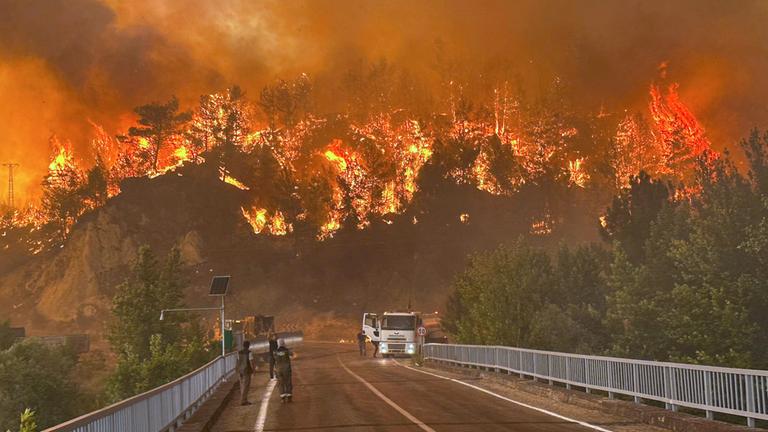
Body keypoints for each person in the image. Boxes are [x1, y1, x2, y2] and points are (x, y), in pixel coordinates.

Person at [274, 338, 293, 403]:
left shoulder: (275, 351)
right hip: (287, 369)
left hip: (279, 369)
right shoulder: (287, 351)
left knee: (281, 383)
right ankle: (289, 397)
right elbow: (292, 355)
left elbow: (274, 359)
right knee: (288, 382)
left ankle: (282, 398)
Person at [236, 340, 255, 405]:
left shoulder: (239, 352)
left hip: (240, 370)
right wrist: (253, 370)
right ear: (248, 346)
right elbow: (251, 362)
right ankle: (243, 400)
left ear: (243, 345)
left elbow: (238, 361)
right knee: (246, 386)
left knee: (242, 386)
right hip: (246, 371)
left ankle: (244, 399)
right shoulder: (249, 352)